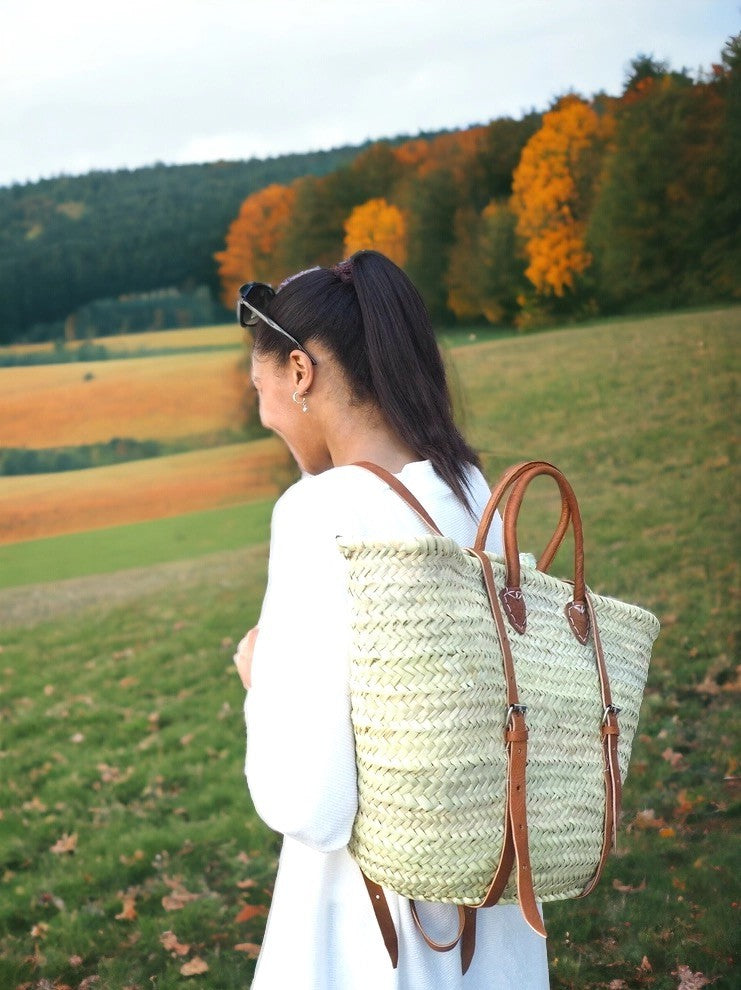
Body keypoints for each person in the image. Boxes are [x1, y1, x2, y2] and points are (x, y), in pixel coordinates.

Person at [233, 250, 550, 989]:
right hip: (491, 898)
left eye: (262, 388)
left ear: (300, 373)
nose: (264, 415)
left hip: (377, 927)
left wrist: (261, 678)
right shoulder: (472, 490)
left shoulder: (318, 514)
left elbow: (311, 801)